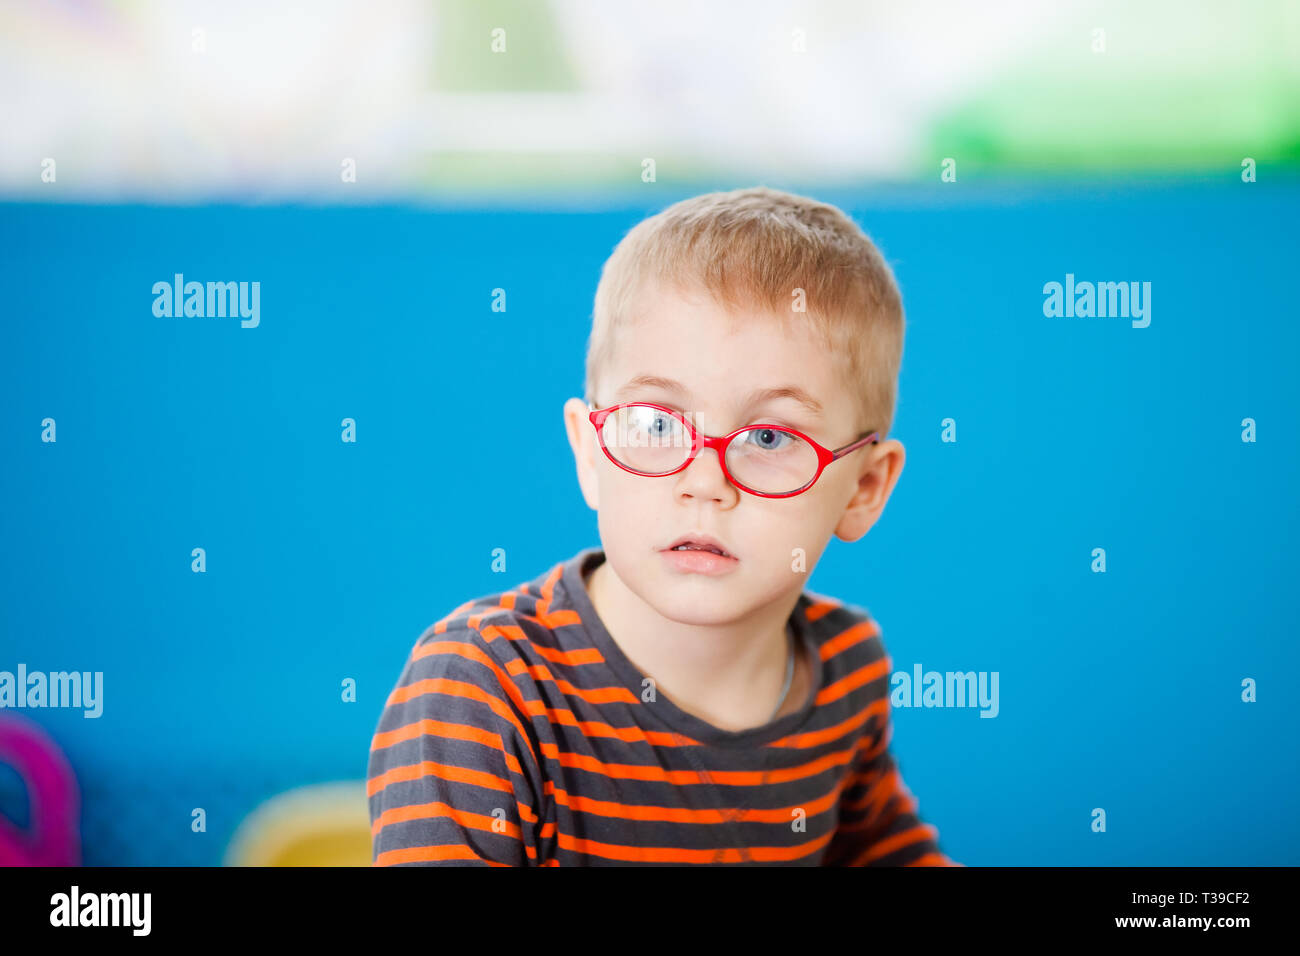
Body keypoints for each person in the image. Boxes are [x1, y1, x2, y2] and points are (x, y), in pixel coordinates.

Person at [367, 186, 960, 865]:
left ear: (864, 488)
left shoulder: (846, 670)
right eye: (654, 424)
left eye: (768, 438)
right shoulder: (484, 689)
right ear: (589, 454)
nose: (705, 483)